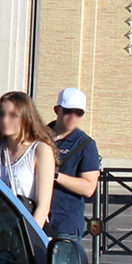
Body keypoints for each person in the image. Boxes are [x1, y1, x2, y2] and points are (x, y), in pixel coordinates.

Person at [0, 91, 57, 230]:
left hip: (26, 228)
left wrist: (30, 239)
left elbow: (43, 206)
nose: (5, 120)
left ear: (26, 118)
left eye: (12, 115)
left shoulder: (40, 150)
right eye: (1, 115)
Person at [47, 88, 101, 241]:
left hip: (65, 224)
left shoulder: (85, 144)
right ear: (57, 110)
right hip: (33, 218)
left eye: (79, 112)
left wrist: (55, 176)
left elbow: (89, 187)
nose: (73, 117)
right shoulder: (37, 136)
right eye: (68, 111)